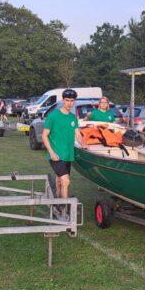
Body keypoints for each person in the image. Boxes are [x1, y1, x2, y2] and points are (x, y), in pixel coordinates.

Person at [42, 89, 84, 218]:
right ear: (62, 100)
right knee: (66, 181)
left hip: (68, 155)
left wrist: (84, 144)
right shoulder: (53, 116)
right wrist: (51, 152)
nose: (69, 103)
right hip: (55, 156)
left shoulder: (73, 118)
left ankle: (58, 206)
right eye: (67, 100)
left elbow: (77, 134)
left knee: (60, 182)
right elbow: (44, 136)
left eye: (72, 101)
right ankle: (65, 210)